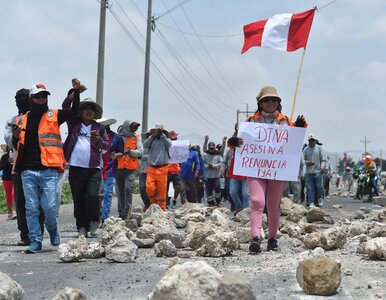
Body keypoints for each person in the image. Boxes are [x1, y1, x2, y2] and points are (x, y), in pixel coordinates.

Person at [227, 85, 307, 253]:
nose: (271, 102)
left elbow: (294, 141)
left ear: (278, 103)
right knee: (257, 201)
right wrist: (233, 142)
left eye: (274, 100)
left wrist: (300, 127)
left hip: (277, 169)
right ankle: (255, 237)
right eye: (267, 100)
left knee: (273, 204)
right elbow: (237, 142)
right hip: (255, 168)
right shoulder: (250, 122)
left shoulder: (285, 120)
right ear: (260, 103)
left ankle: (272, 239)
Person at [12, 82, 81, 253]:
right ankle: (35, 240)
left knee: (50, 207)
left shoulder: (54, 115)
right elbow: (18, 144)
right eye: (37, 96)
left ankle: (52, 229)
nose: (41, 99)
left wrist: (77, 93)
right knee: (31, 207)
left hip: (48, 169)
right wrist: (14, 136)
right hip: (28, 170)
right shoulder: (22, 119)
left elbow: (74, 112)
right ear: (32, 98)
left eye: (44, 96)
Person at [62, 93, 110, 238]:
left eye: (92, 109)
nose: (89, 111)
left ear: (95, 113)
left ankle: (93, 222)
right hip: (75, 168)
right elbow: (65, 107)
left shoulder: (100, 128)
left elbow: (107, 146)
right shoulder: (73, 123)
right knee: (78, 198)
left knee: (93, 196)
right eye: (86, 108)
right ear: (81, 111)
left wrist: (98, 142)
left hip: (93, 169)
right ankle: (81, 226)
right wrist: (72, 95)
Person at [5, 88, 44, 246]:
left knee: (38, 202)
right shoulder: (13, 119)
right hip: (19, 168)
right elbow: (8, 140)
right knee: (21, 203)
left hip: (38, 165)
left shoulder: (40, 118)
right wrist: (15, 135)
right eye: (18, 98)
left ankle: (38, 232)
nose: (21, 100)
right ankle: (25, 234)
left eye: (24, 97)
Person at [96, 117, 124, 223]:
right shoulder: (94, 136)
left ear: (108, 126)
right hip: (96, 169)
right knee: (97, 194)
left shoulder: (117, 138)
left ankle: (104, 217)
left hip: (110, 169)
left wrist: (115, 156)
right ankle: (97, 214)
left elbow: (121, 152)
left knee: (107, 194)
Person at [115, 120, 143, 220]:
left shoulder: (136, 138)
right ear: (126, 127)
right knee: (121, 191)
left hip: (132, 169)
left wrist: (130, 152)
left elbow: (140, 152)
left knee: (127, 188)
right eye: (132, 127)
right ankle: (123, 213)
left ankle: (128, 212)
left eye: (136, 127)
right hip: (119, 168)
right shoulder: (118, 137)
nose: (134, 129)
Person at [143, 124, 172, 211]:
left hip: (162, 168)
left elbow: (169, 144)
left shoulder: (166, 140)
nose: (158, 132)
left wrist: (162, 135)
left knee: (162, 190)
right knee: (149, 188)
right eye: (157, 130)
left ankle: (162, 209)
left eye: (160, 131)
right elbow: (145, 145)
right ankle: (154, 204)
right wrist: (152, 135)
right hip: (151, 168)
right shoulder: (151, 139)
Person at [303, 134, 326, 208]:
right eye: (310, 140)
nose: (311, 142)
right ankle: (311, 202)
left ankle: (319, 198)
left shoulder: (319, 149)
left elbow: (323, 159)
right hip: (309, 172)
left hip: (318, 172)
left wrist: (322, 167)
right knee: (310, 188)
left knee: (320, 187)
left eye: (313, 140)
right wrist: (308, 162)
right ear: (308, 141)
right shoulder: (306, 149)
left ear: (315, 141)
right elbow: (303, 160)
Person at [203, 142, 223, 207]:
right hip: (207, 175)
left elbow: (221, 163)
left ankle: (218, 201)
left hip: (216, 175)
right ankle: (210, 202)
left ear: (214, 147)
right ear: (208, 148)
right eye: (210, 148)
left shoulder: (218, 155)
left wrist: (214, 166)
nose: (211, 149)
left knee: (217, 187)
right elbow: (202, 163)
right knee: (209, 189)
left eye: (212, 148)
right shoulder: (205, 155)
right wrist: (207, 166)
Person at [167, 131, 183, 209]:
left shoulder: (179, 147)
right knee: (165, 187)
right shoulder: (166, 146)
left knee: (177, 186)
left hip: (176, 170)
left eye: (175, 138)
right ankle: (166, 200)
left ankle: (175, 199)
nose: (175, 139)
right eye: (173, 138)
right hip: (167, 170)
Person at [0, 144, 16, 220]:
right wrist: (7, 162)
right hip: (6, 178)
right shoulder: (4, 157)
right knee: (9, 195)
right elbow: (1, 167)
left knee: (14, 194)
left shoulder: (17, 154)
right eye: (9, 146)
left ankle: (15, 212)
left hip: (16, 177)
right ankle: (10, 213)